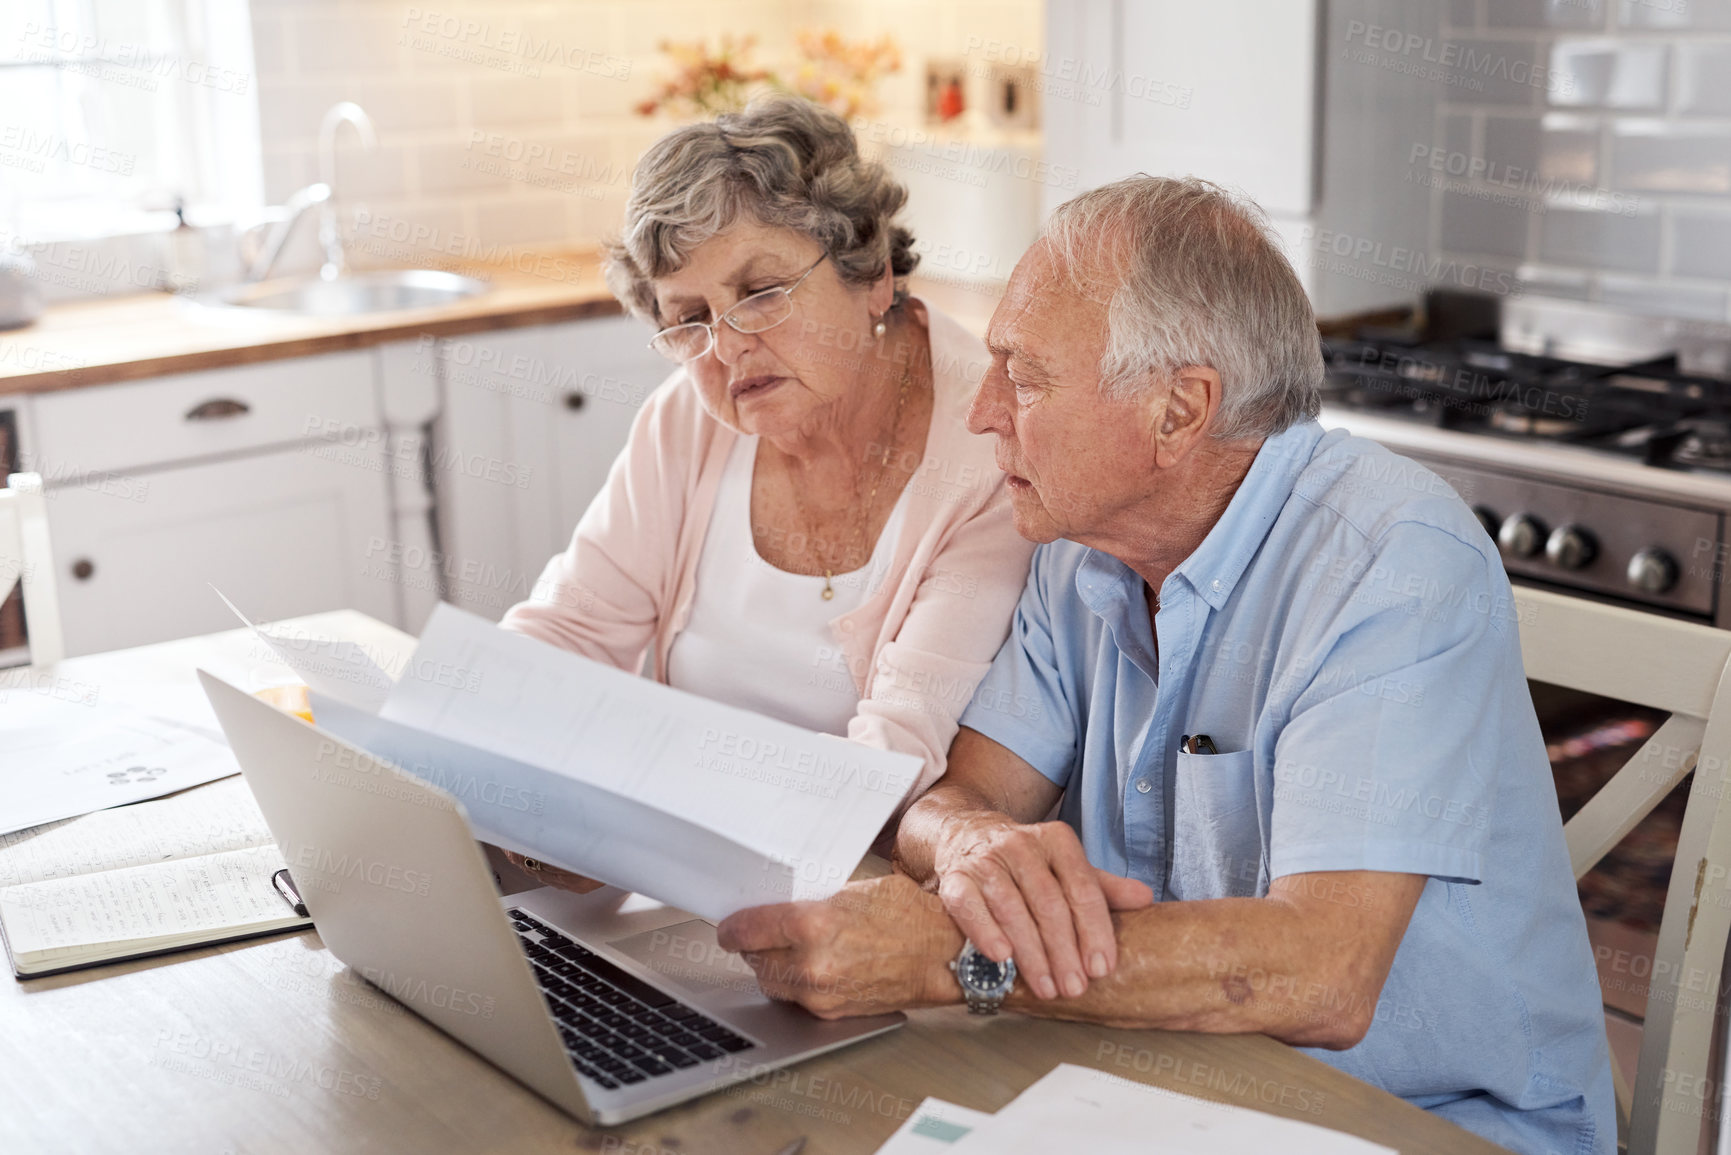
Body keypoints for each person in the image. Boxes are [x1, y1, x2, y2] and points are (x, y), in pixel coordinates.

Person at [717, 175, 1616, 1154]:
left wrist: (959, 956)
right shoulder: (1081, 548)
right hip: (1178, 1087)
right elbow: (956, 795)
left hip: (1429, 1125)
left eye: (1022, 375)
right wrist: (971, 844)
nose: (981, 413)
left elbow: (1322, 972)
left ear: (1178, 412)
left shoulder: (1391, 560)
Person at [496, 97, 1035, 888]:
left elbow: (893, 762)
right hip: (676, 885)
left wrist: (627, 816)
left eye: (761, 291)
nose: (728, 346)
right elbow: (566, 630)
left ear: (872, 273)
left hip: (861, 908)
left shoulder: (984, 447)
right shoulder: (686, 419)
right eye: (689, 318)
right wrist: (492, 750)